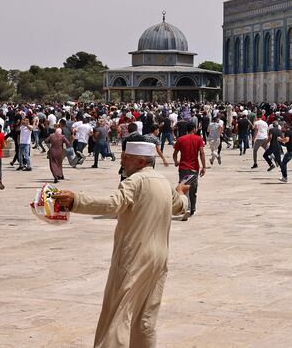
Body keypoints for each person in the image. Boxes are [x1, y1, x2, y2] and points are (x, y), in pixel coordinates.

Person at [53, 142, 190, 347]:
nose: (122, 160)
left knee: (117, 314)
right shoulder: (162, 181)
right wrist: (180, 191)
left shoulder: (134, 181)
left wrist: (75, 201)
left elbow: (113, 203)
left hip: (134, 256)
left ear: (141, 161)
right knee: (146, 316)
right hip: (159, 258)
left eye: (127, 157)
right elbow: (180, 206)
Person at [173, 122, 206, 219]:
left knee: (183, 188)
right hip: (194, 168)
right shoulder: (198, 139)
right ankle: (191, 209)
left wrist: (176, 161)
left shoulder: (181, 139)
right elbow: (202, 153)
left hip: (183, 168)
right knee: (193, 189)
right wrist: (204, 167)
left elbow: (175, 153)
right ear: (194, 129)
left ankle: (186, 207)